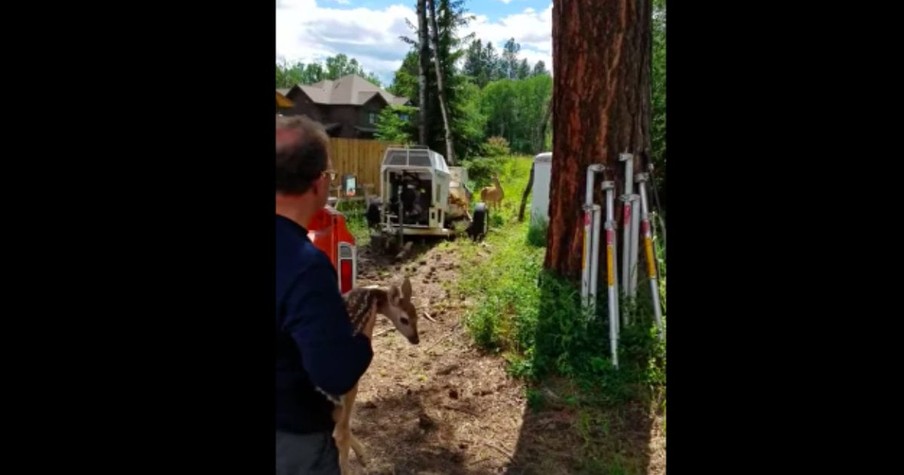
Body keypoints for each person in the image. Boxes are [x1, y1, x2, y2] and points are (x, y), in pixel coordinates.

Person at [275, 115, 374, 474]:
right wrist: (364, 332)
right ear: (319, 184)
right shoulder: (306, 267)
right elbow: (335, 374)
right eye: (330, 176)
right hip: (292, 443)